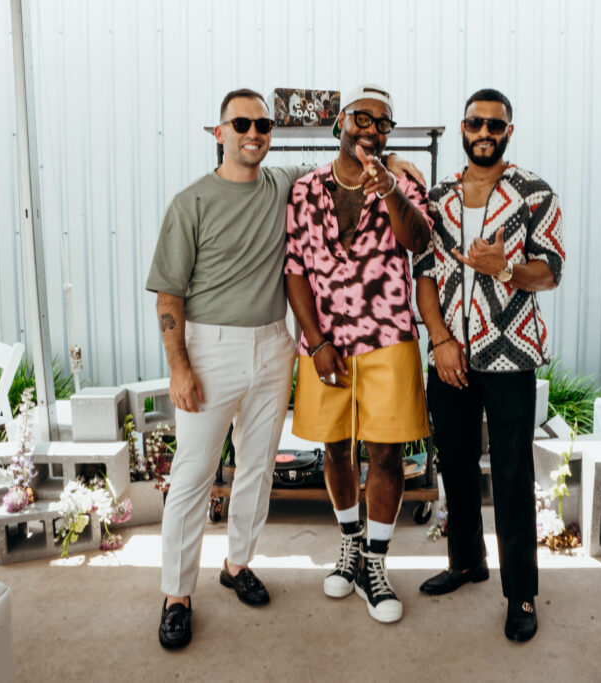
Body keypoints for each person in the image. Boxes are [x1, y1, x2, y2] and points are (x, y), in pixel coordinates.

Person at [146, 87, 421, 650]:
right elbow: (169, 295)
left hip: (274, 343)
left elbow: (362, 170)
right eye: (241, 124)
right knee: (194, 474)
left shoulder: (285, 184)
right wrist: (179, 366)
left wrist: (391, 163)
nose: (253, 133)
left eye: (263, 125)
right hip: (212, 347)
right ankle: (176, 595)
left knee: (256, 468)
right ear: (219, 133)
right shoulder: (191, 202)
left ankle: (238, 565)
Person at [413, 88, 564, 643]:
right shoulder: (439, 198)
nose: (484, 133)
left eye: (494, 126)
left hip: (510, 355)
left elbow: (550, 271)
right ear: (462, 128)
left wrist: (504, 268)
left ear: (508, 132)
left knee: (511, 474)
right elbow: (424, 274)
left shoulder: (534, 194)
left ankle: (520, 591)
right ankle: (466, 560)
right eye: (475, 123)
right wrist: (439, 340)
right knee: (454, 462)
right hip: (450, 353)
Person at [285, 83, 433, 624]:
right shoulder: (305, 190)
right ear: (340, 122)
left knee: (386, 455)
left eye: (383, 123)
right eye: (362, 119)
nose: (372, 130)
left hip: (387, 338)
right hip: (325, 344)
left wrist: (390, 187)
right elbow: (294, 270)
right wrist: (317, 342)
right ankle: (349, 543)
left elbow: (419, 242)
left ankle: (375, 563)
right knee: (334, 450)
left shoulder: (403, 184)